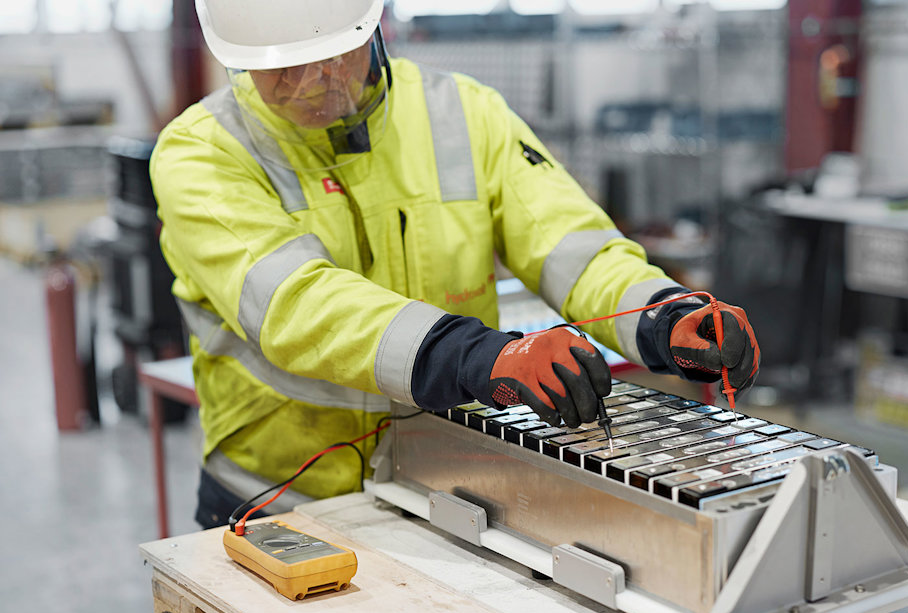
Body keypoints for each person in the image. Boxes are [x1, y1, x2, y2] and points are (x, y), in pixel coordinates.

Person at [150, 0, 761, 529]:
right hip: (282, 505)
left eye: (332, 54)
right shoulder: (201, 154)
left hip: (453, 492)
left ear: (372, 25)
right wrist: (476, 356)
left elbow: (570, 242)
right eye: (280, 66)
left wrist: (659, 314)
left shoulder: (464, 114)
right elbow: (298, 305)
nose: (310, 81)